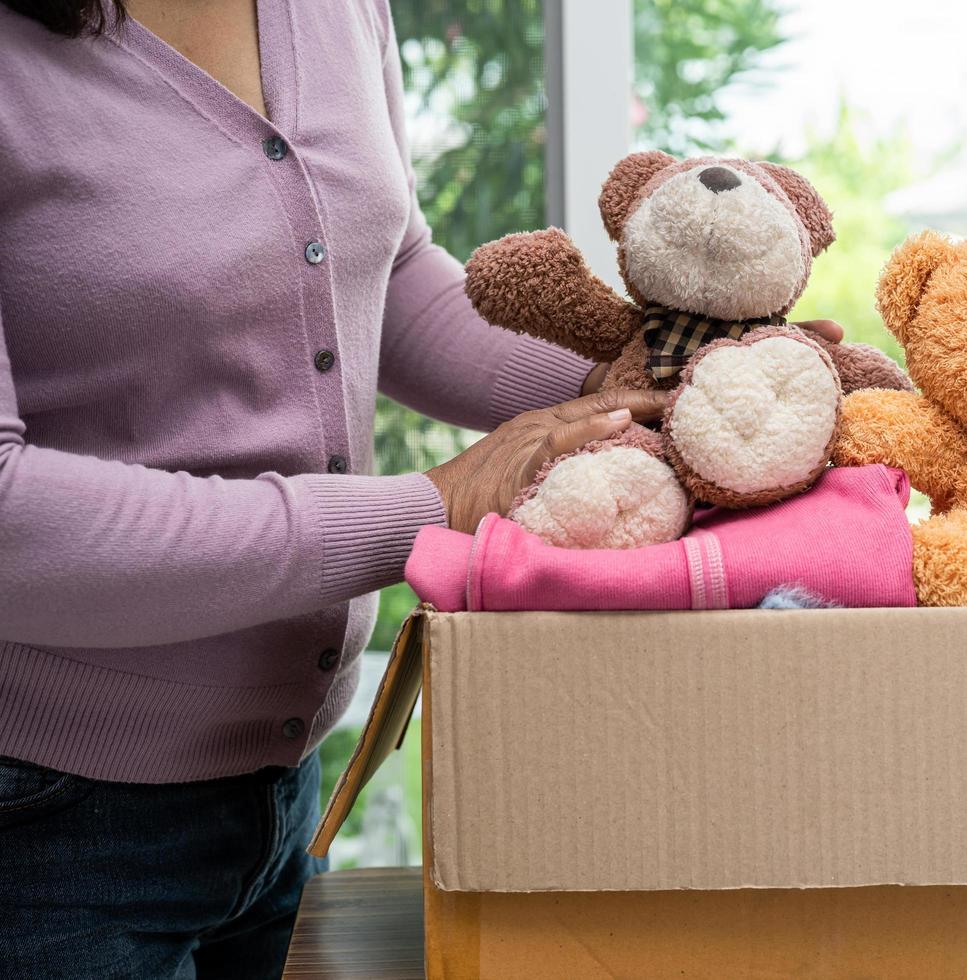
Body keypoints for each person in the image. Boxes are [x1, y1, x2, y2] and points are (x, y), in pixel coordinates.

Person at [0, 1, 843, 976]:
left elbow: (387, 273)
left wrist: (663, 387)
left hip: (285, 792)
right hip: (47, 821)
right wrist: (431, 508)